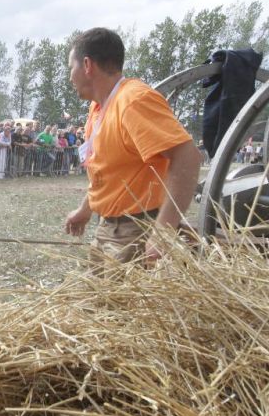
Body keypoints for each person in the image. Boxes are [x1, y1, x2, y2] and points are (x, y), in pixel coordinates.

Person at [63, 27, 202, 264]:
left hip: (136, 230)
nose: (69, 77)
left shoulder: (133, 101)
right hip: (108, 227)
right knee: (98, 301)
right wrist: (86, 209)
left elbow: (187, 157)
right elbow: (109, 170)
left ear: (87, 65)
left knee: (118, 302)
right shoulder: (98, 108)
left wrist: (163, 233)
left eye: (70, 68)